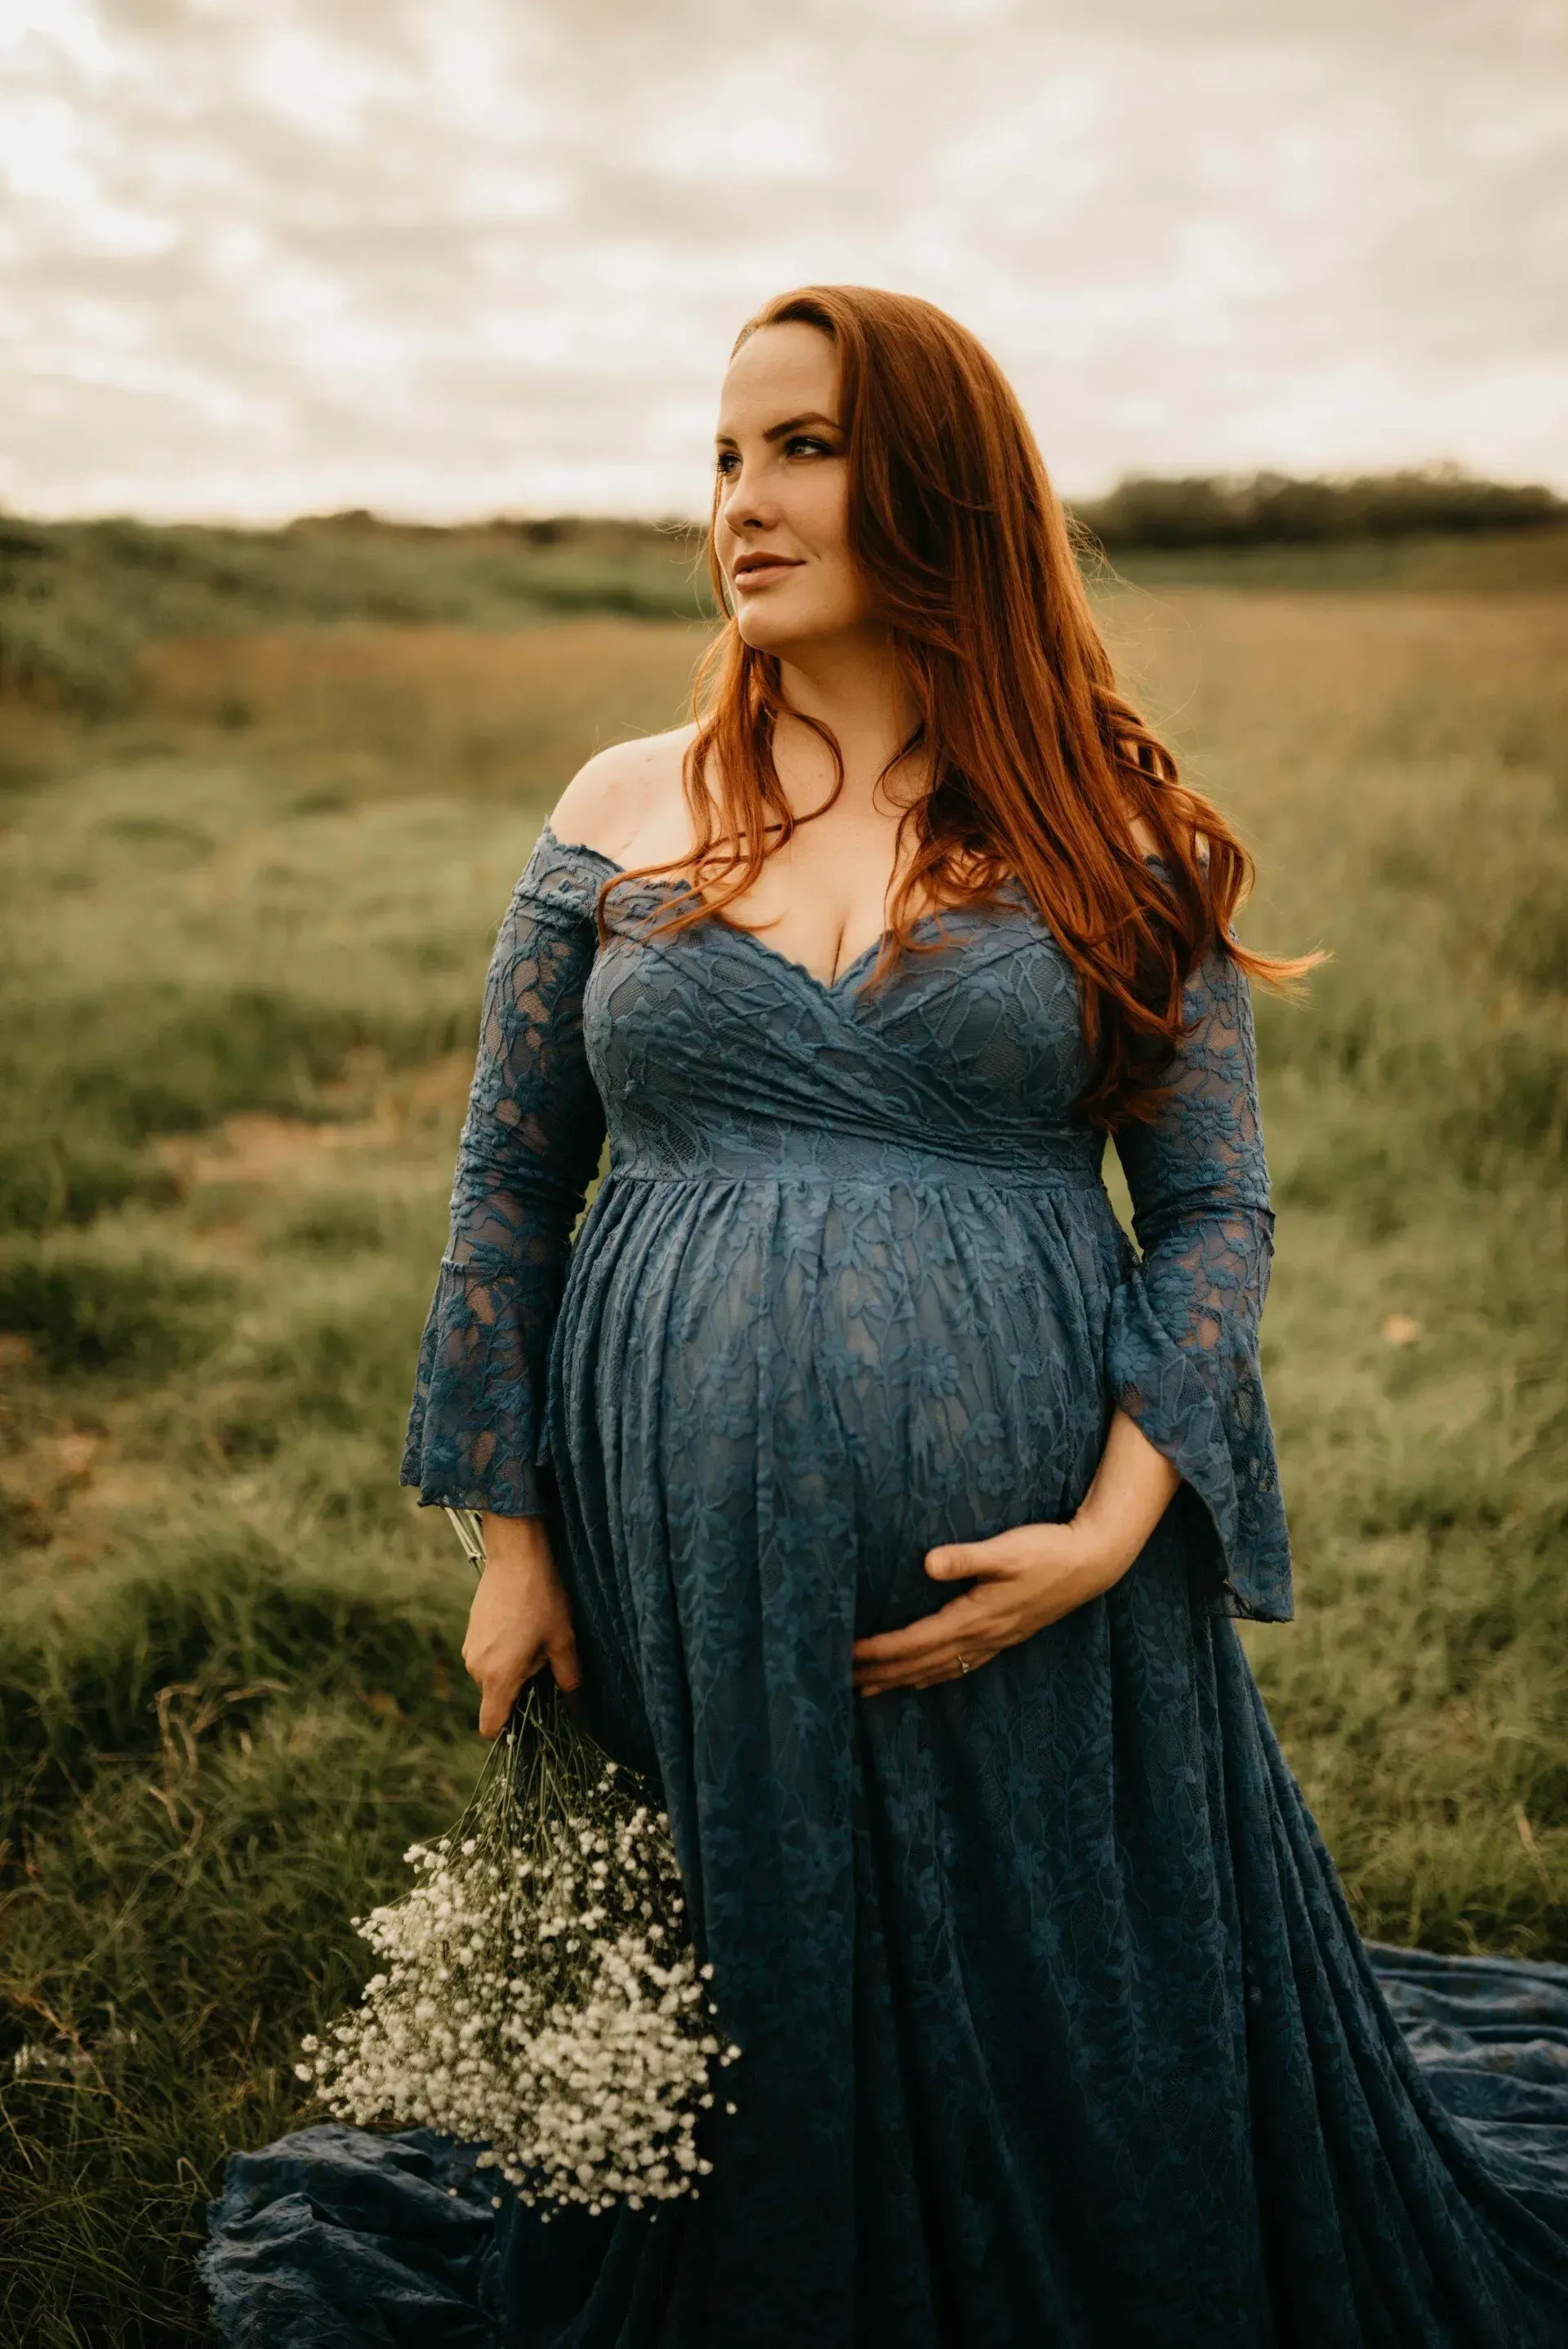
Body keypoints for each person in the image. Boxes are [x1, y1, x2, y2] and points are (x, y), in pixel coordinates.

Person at [204, 287, 1568, 2348]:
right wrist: (510, 1539)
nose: (744, 504)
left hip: (1039, 1558)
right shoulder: (623, 801)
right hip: (686, 1550)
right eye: (724, 457)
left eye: (803, 448)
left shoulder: (1118, 822)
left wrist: (1113, 1533)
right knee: (765, 2005)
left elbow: (1210, 1208)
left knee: (1064, 1994)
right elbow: (508, 1178)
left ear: (935, 483)